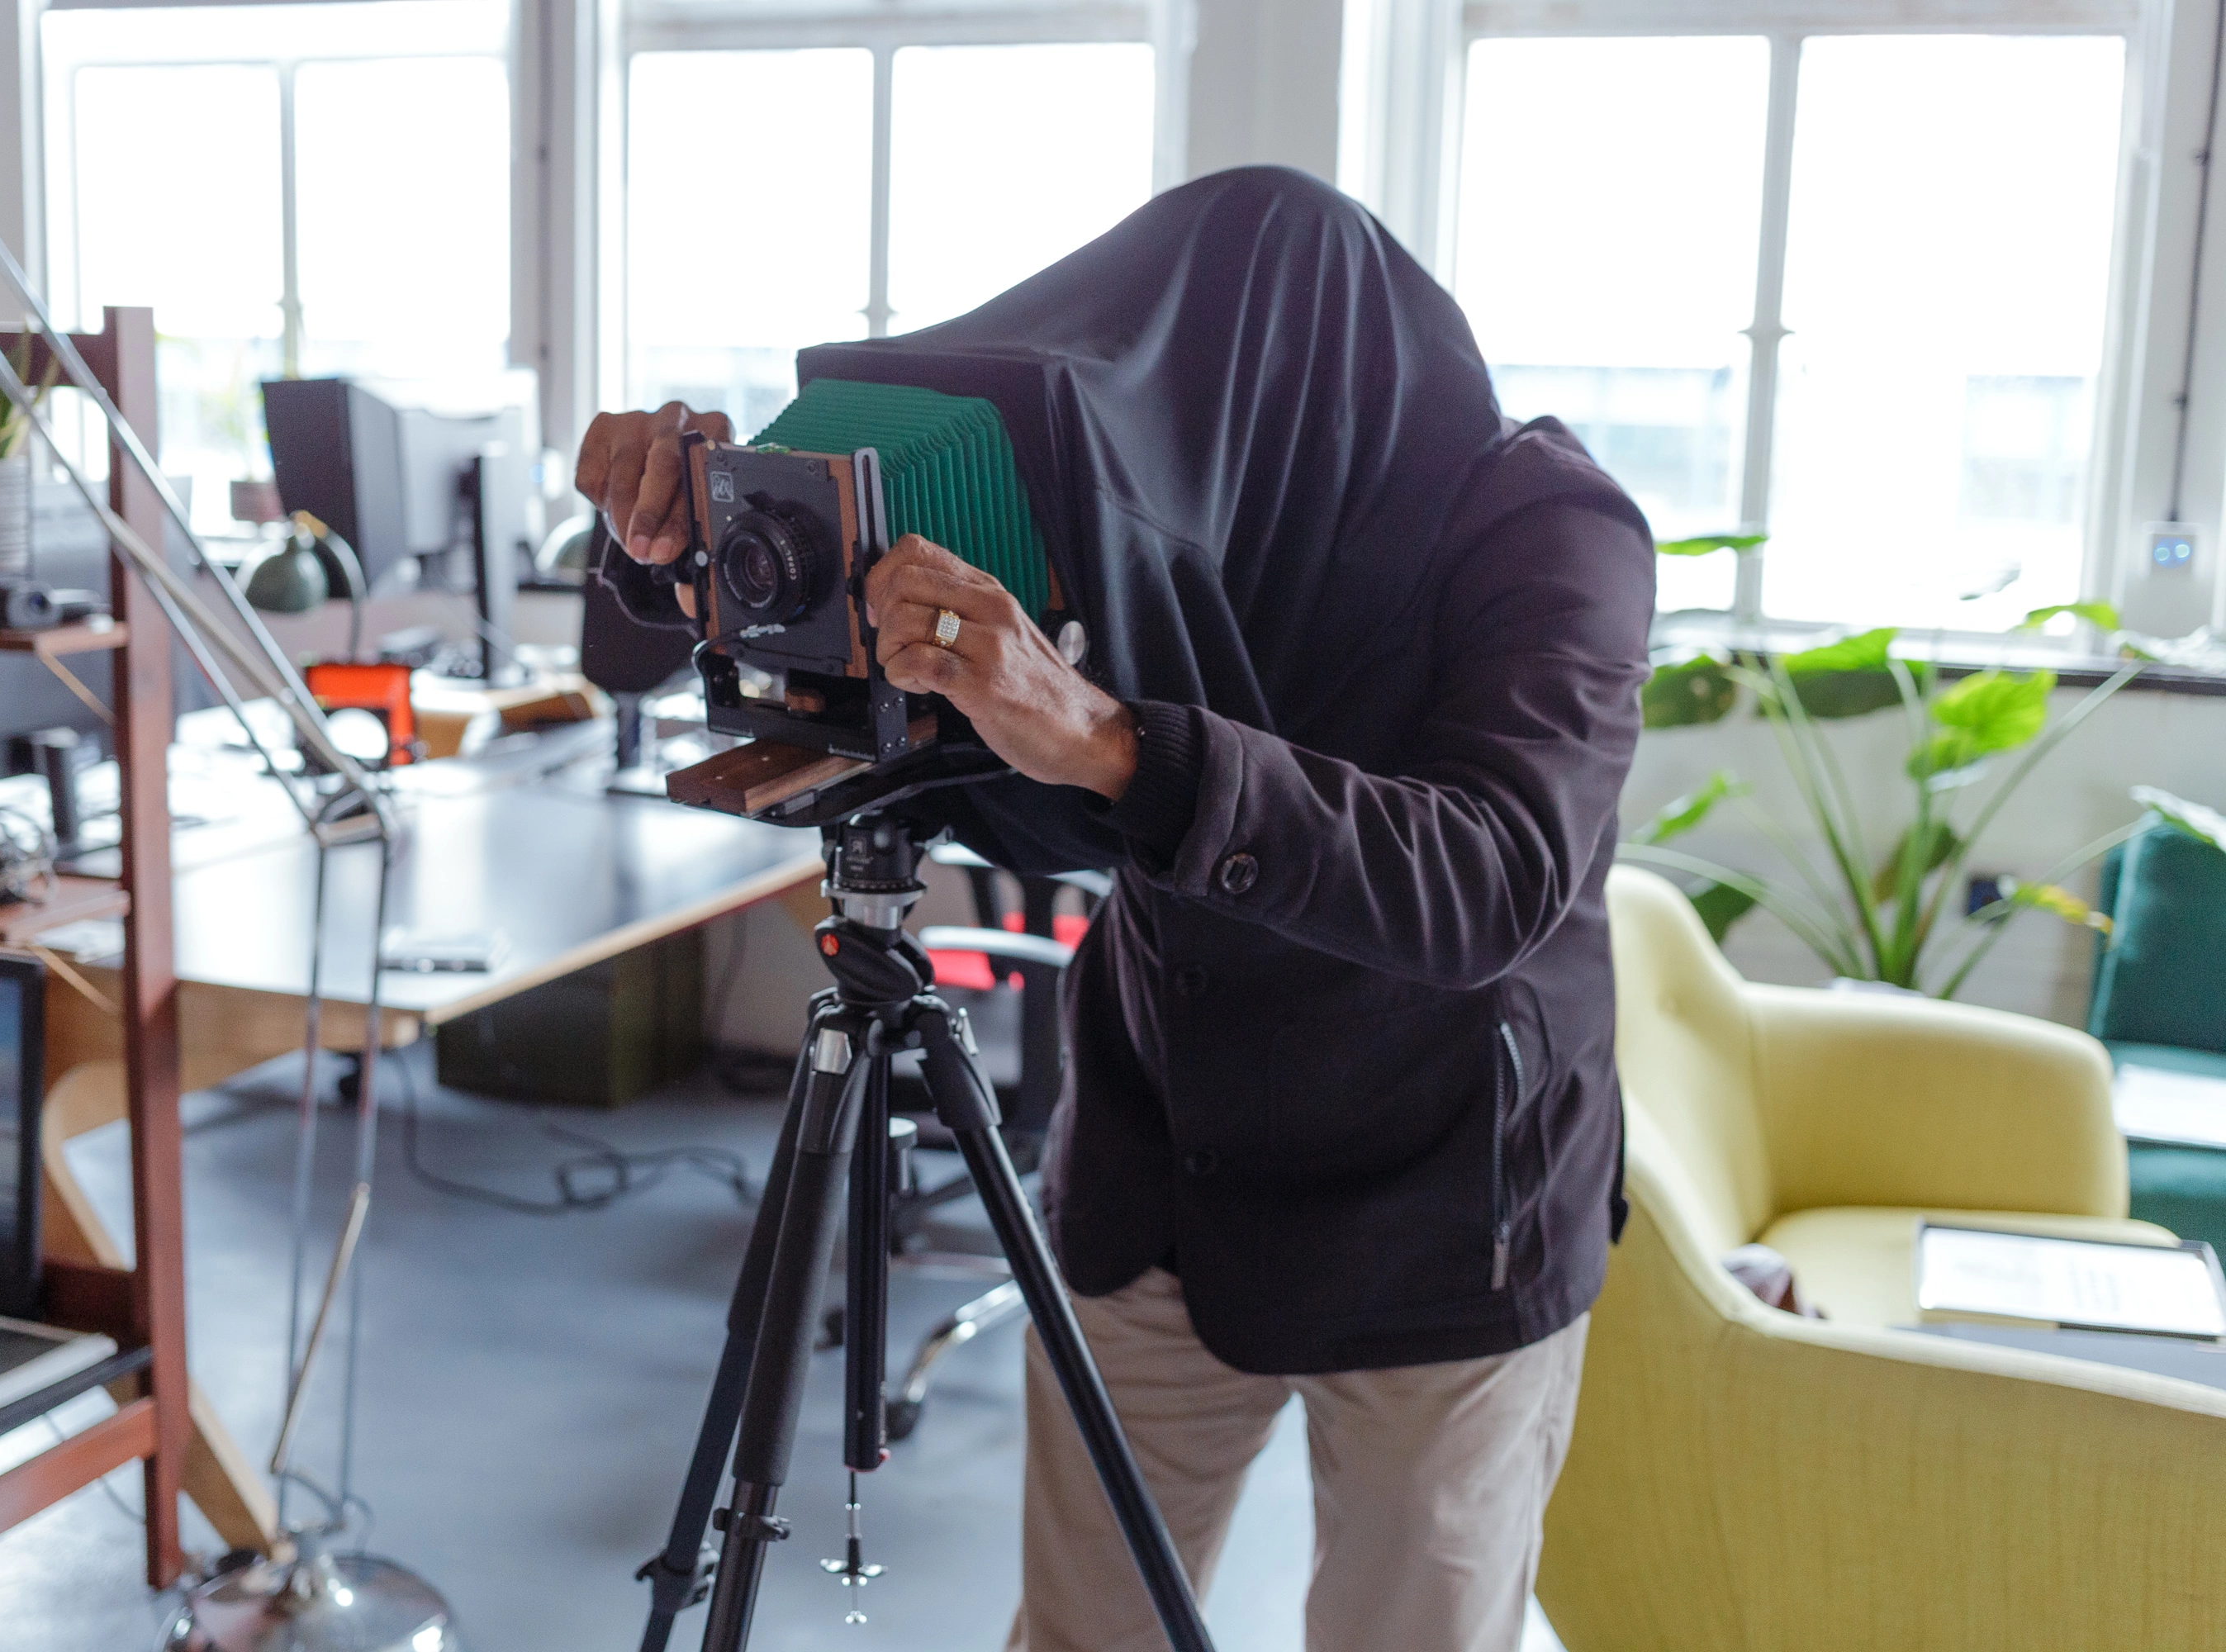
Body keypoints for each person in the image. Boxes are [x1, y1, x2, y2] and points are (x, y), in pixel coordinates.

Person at [580, 168, 1653, 1652]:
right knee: (1086, 1634)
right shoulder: (1174, 505)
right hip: (1167, 1172)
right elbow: (1006, 774)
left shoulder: (1551, 531)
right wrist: (696, 562)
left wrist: (1112, 740)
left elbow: (1492, 877)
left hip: (1443, 1213)